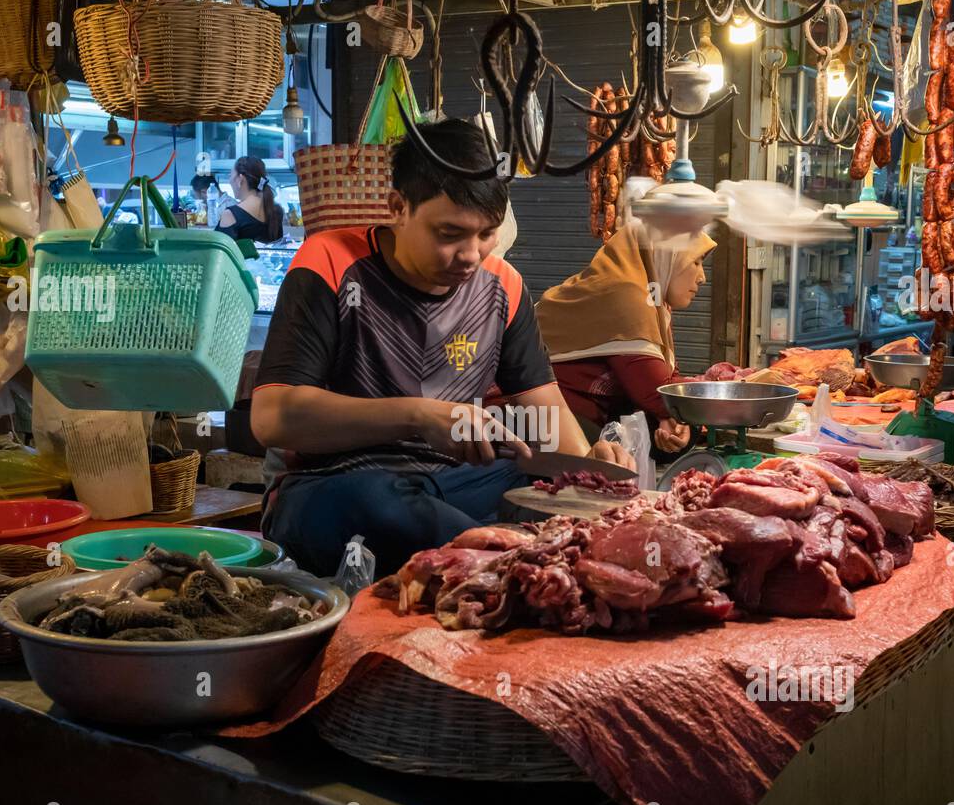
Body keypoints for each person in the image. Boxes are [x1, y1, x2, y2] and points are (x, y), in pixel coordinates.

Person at [250, 118, 634, 577]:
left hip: (456, 482)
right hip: (336, 483)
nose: (472, 254)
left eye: (487, 233)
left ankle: (506, 557)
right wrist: (419, 416)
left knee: (556, 491)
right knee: (378, 507)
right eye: (450, 234)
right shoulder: (331, 261)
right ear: (398, 208)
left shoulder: (503, 286)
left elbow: (543, 405)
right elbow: (273, 418)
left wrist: (586, 467)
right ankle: (514, 561)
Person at [535, 222, 715, 454]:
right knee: (675, 418)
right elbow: (659, 392)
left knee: (677, 427)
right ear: (665, 257)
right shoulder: (626, 295)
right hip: (537, 415)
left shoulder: (653, 299)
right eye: (696, 262)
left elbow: (666, 378)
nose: (702, 278)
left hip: (587, 411)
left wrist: (672, 418)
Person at [217, 155, 283, 244]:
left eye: (231, 175)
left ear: (240, 179)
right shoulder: (276, 211)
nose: (230, 181)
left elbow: (220, 253)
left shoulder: (231, 214)